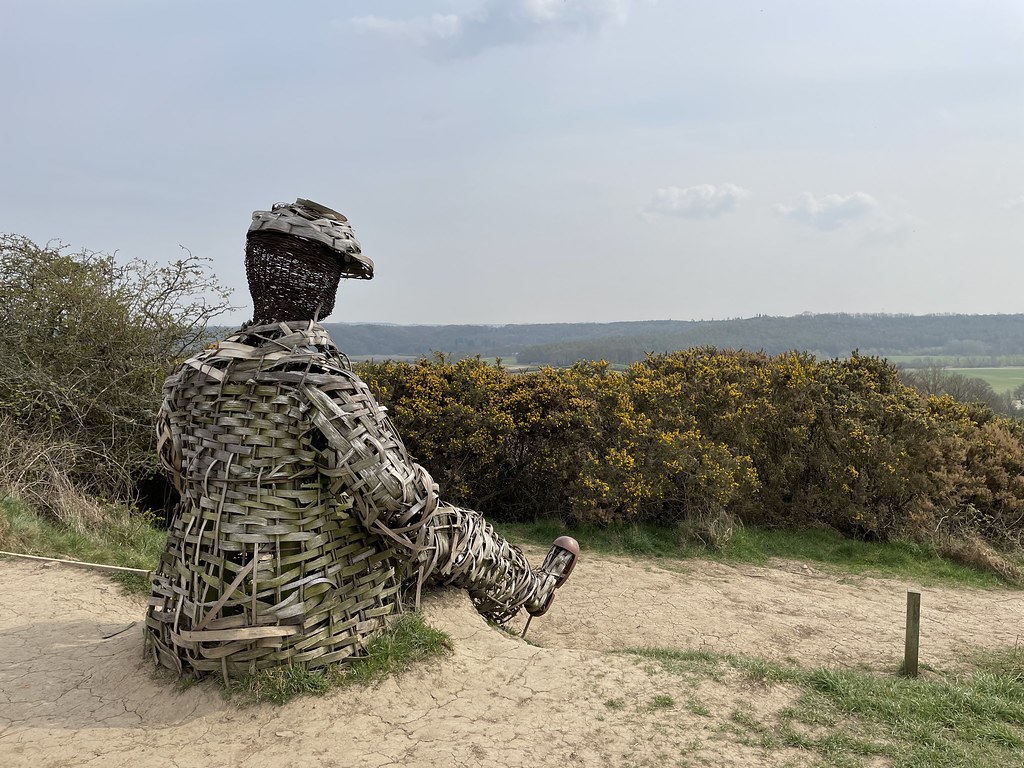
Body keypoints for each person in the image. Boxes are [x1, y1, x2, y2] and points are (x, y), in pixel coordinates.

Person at [145, 199, 577, 678]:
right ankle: (534, 589)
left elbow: (179, 474)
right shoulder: (317, 380)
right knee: (452, 527)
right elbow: (400, 502)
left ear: (254, 271)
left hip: (194, 605)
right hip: (300, 620)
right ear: (325, 282)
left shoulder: (190, 378)